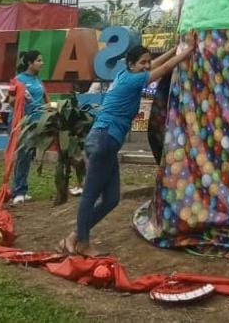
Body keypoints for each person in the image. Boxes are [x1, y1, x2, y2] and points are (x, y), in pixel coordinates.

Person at [58, 40, 195, 256]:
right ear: (131, 64)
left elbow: (157, 64)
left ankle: (74, 236)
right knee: (90, 196)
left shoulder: (125, 74)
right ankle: (82, 243)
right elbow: (165, 68)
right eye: (142, 63)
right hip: (104, 140)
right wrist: (188, 51)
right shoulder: (134, 80)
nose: (147, 66)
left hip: (106, 141)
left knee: (112, 199)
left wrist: (175, 48)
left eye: (148, 61)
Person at [11, 50, 50, 205]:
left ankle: (22, 189)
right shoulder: (19, 79)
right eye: (39, 60)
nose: (42, 63)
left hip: (38, 123)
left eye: (42, 60)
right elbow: (11, 100)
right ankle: (18, 192)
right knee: (23, 156)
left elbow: (45, 98)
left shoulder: (38, 80)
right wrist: (21, 97)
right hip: (24, 123)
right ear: (30, 63)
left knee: (28, 157)